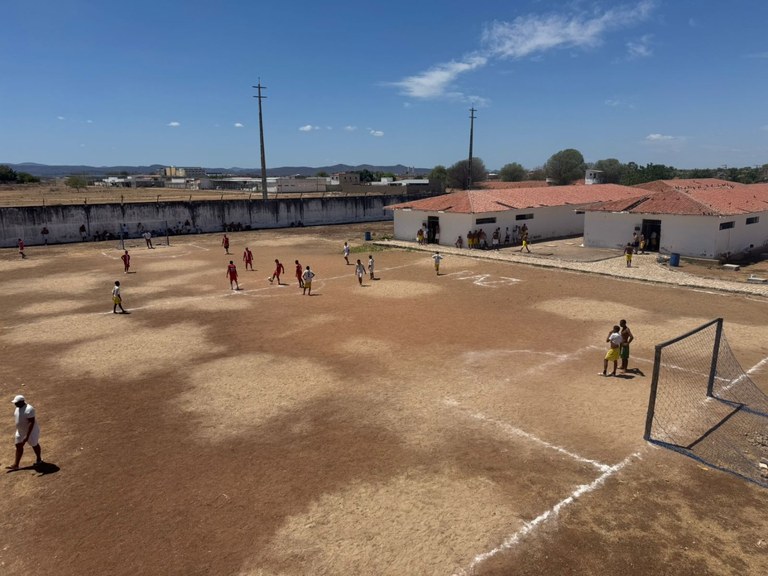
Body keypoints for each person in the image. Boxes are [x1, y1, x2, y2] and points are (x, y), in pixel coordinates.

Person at [7, 395, 42, 470]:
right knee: (18, 445)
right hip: (20, 431)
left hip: (31, 432)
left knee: (34, 444)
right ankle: (16, 465)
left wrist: (27, 436)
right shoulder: (18, 408)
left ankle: (39, 459)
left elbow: (31, 423)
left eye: (16, 403)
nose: (15, 404)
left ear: (22, 402)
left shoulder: (29, 409)